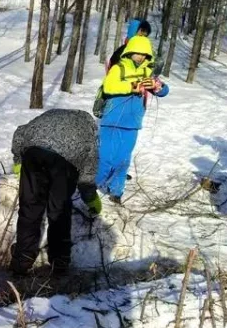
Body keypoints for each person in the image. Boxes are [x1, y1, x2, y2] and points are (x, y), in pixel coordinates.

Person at [10, 109, 102, 277]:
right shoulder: (90, 132)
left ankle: (22, 260)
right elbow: (89, 170)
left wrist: (18, 160)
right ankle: (59, 263)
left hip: (34, 153)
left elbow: (19, 133)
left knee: (29, 207)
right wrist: (90, 198)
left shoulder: (50, 115)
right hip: (64, 163)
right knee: (59, 212)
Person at [96, 35, 169, 205]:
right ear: (130, 52)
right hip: (112, 119)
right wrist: (131, 86)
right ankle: (93, 185)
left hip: (132, 123)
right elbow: (109, 86)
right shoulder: (118, 68)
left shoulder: (148, 72)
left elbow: (164, 92)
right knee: (105, 157)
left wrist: (158, 87)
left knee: (123, 159)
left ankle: (116, 191)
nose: (141, 57)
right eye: (138, 53)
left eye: (144, 54)